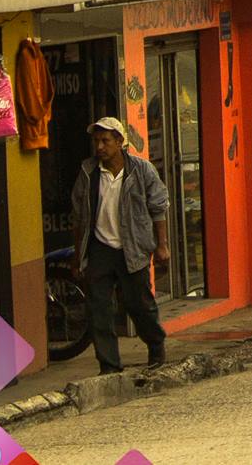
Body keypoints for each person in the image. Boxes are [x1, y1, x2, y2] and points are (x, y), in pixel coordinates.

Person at [70, 116, 171, 373]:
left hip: (133, 247)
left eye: (105, 141)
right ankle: (109, 365)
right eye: (96, 141)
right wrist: (78, 256)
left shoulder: (142, 170)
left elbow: (158, 207)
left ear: (119, 142)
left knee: (139, 304)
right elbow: (79, 216)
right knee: (99, 309)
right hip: (100, 248)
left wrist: (162, 245)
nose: (100, 147)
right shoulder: (88, 172)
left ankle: (156, 346)